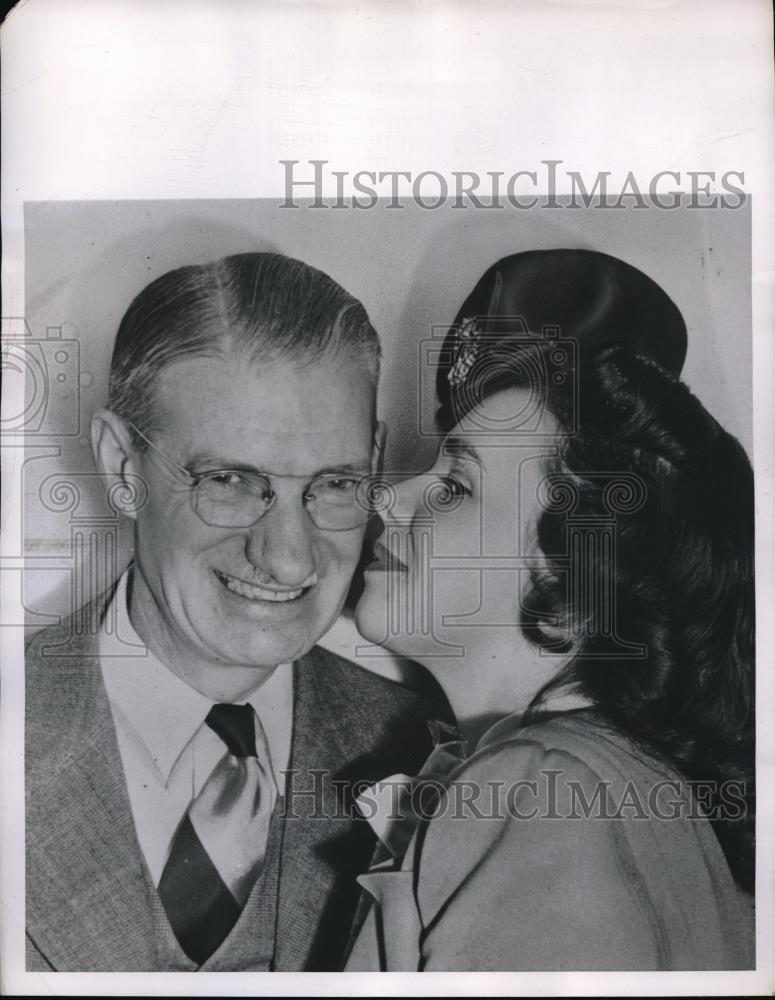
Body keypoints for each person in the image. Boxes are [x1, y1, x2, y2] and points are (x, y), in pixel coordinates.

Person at [25, 252, 447, 972]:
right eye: (229, 480)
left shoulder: (428, 755)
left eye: (334, 483)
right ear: (123, 466)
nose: (288, 558)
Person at [346, 250, 755, 971]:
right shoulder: (606, 775)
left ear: (574, 591)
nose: (390, 497)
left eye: (456, 485)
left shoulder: (538, 785)